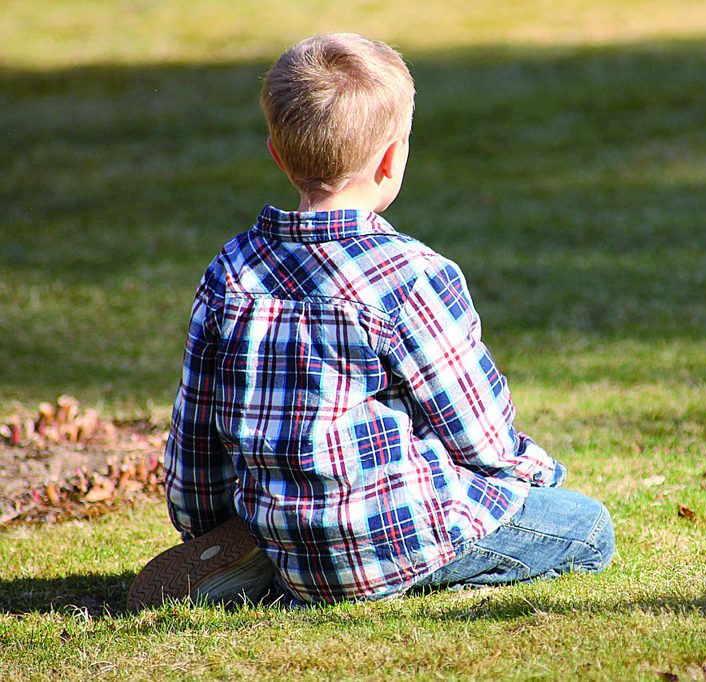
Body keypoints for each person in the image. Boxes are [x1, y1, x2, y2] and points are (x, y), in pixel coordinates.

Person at [127, 33, 614, 609]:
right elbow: (476, 431)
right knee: (588, 526)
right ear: (391, 159)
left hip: (280, 536)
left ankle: (263, 566)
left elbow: (196, 430)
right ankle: (388, 573)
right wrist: (533, 473)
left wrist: (206, 531)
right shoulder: (411, 275)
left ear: (278, 154)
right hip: (392, 533)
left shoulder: (230, 272)